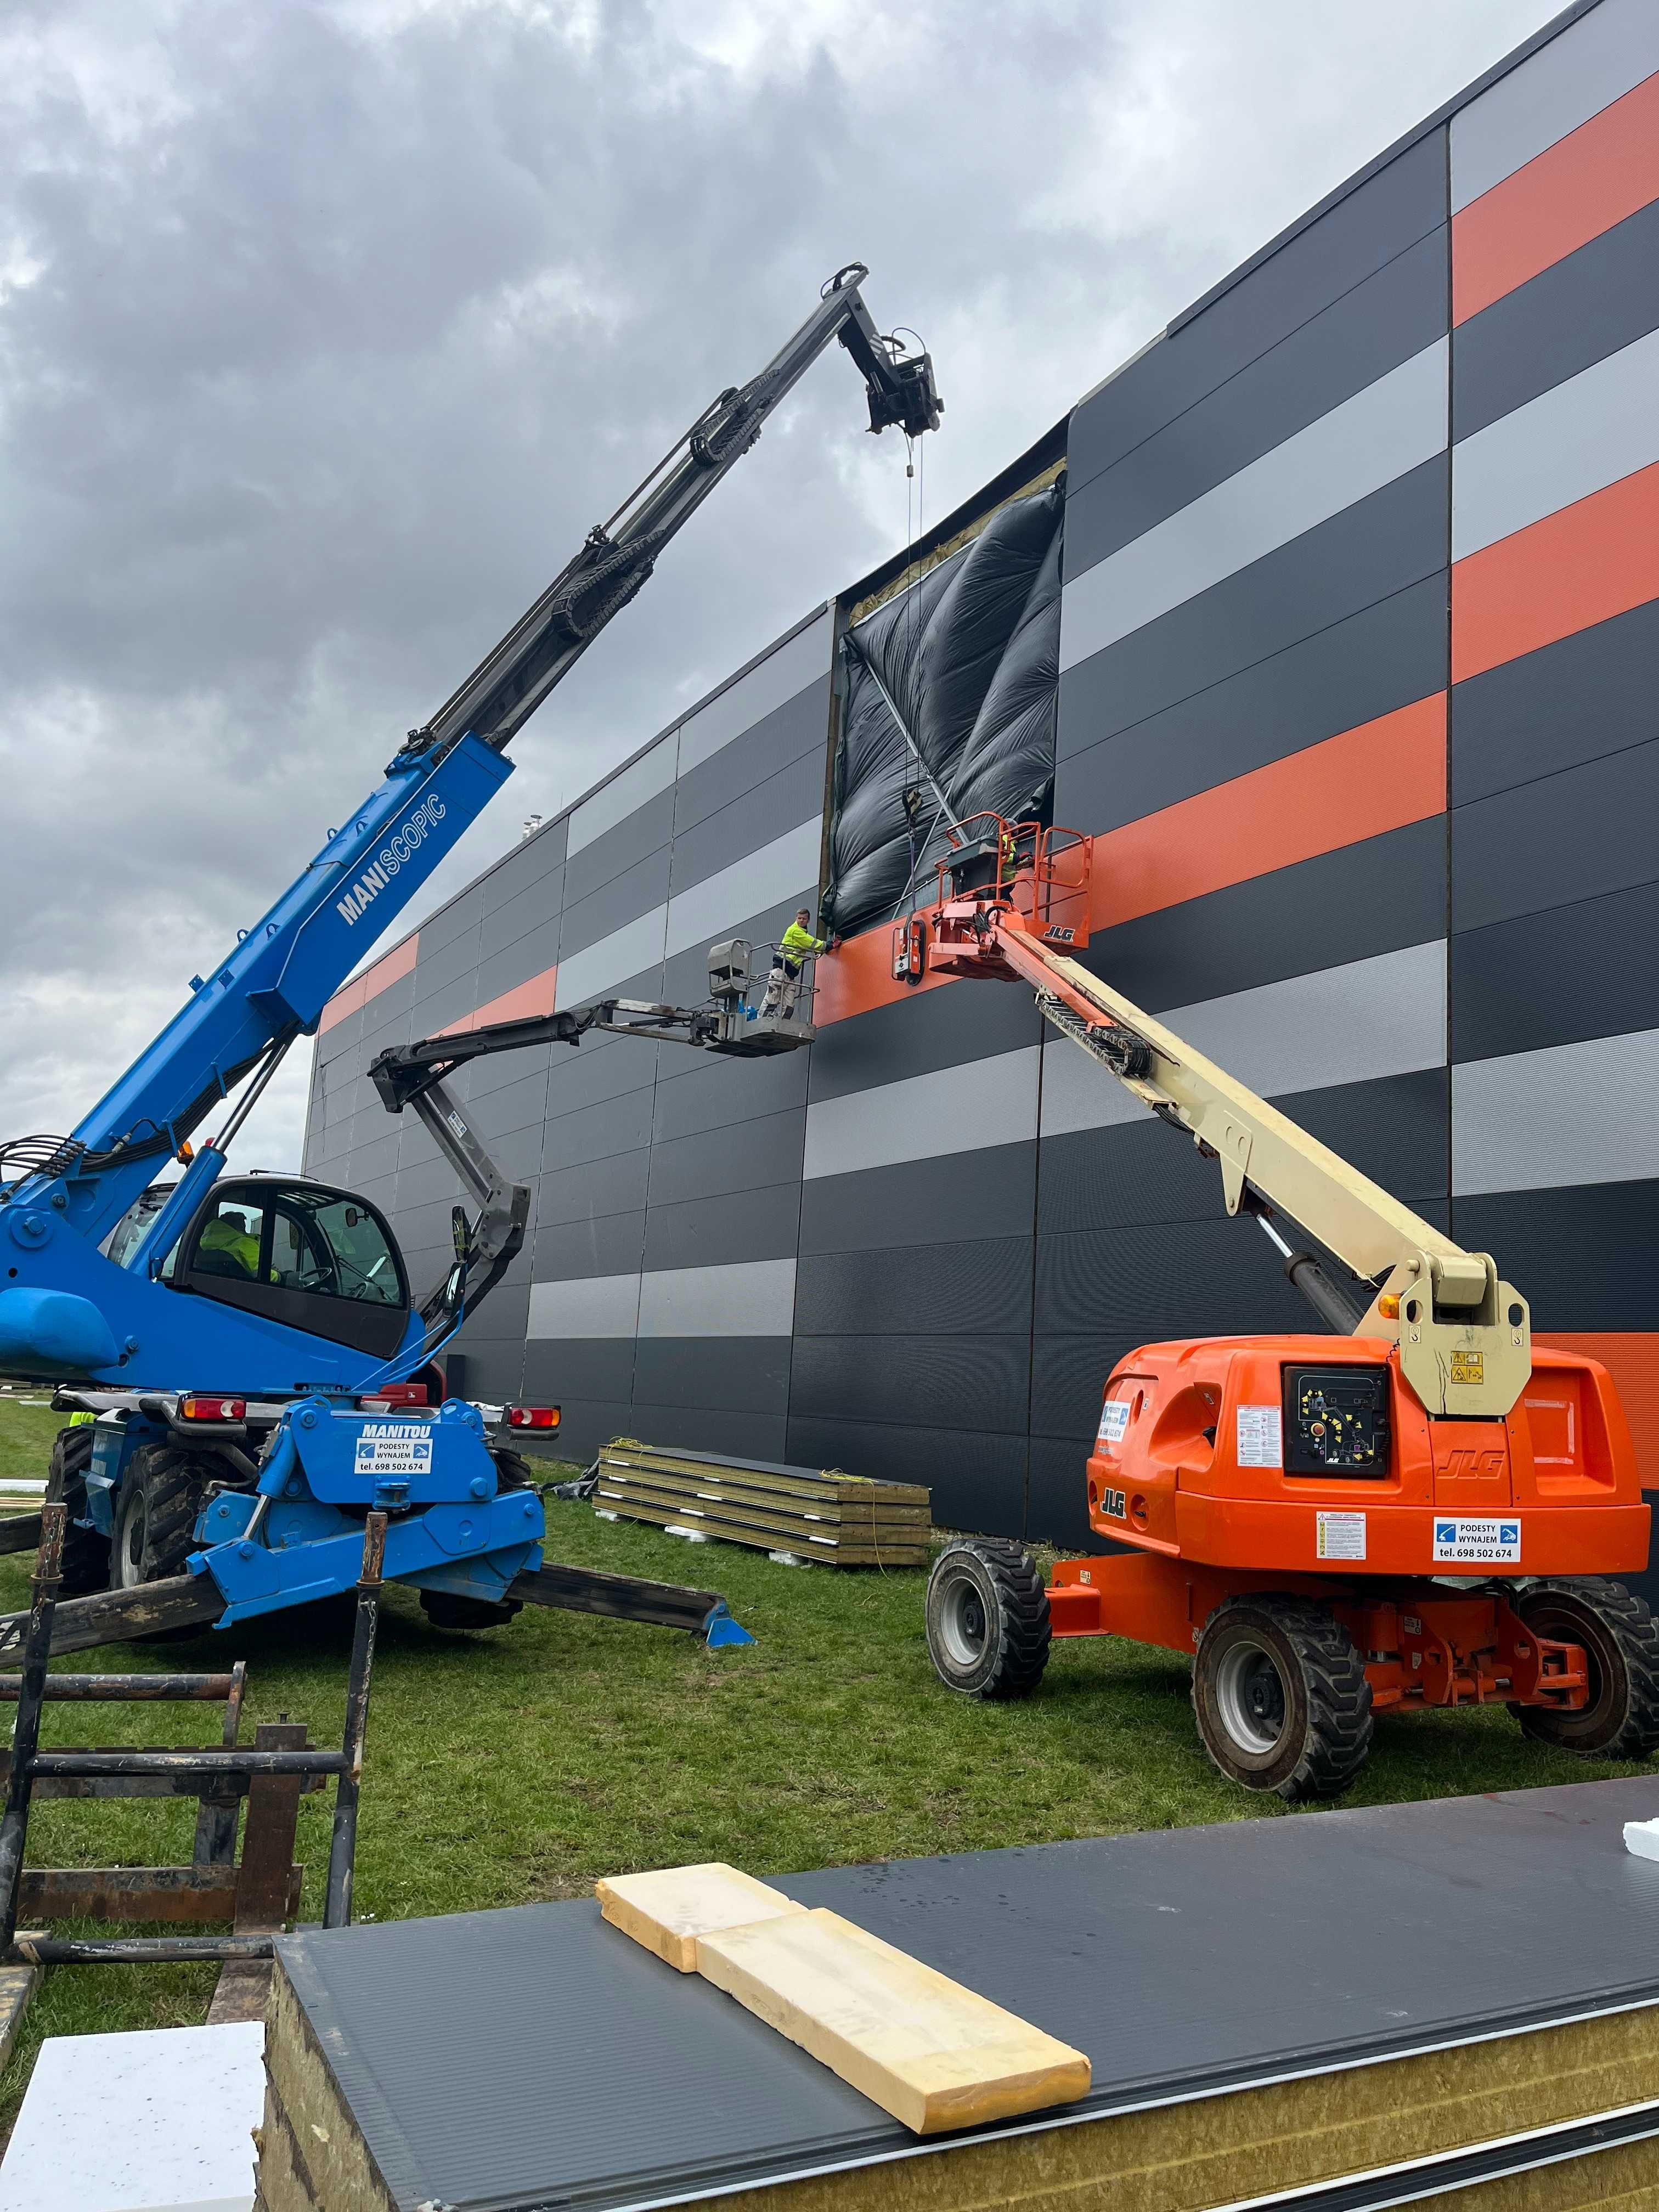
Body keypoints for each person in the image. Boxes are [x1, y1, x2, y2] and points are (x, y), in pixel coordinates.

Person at [762, 909, 827, 1019]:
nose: (801, 921)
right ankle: (762, 1022)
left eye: (804, 919)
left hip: (790, 975)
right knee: (772, 1000)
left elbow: (810, 945)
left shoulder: (802, 933)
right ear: (796, 918)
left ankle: (782, 1025)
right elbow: (812, 943)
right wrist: (828, 945)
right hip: (780, 970)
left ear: (808, 920)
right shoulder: (795, 931)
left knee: (789, 1006)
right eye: (799, 918)